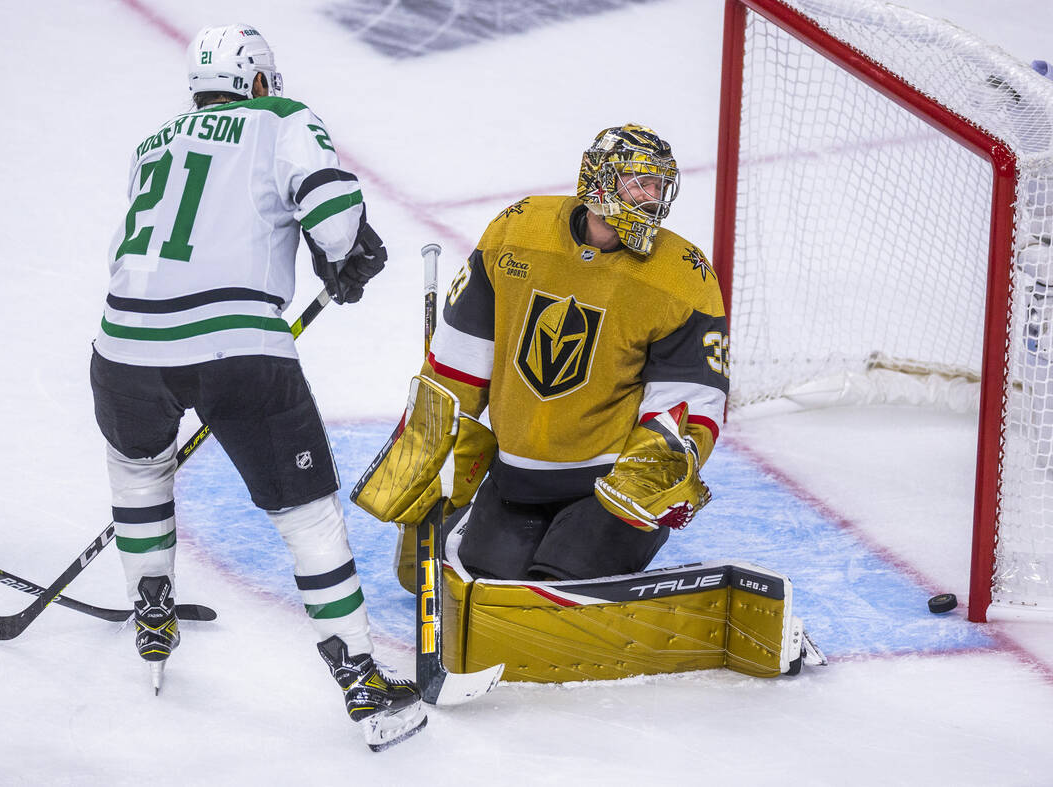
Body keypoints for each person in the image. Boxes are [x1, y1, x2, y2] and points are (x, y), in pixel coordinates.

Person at [90, 24, 424, 750]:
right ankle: (362, 681)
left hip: (122, 348)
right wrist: (346, 255)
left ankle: (152, 608)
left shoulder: (152, 144)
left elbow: (141, 247)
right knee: (307, 517)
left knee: (140, 468)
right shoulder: (283, 118)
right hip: (237, 350)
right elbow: (337, 223)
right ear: (260, 81)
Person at [411, 124, 729, 581]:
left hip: (608, 489)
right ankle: (465, 525)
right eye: (640, 182)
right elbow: (461, 357)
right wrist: (428, 442)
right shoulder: (517, 231)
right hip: (515, 476)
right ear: (598, 179)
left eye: (660, 185)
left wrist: (659, 468)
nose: (652, 198)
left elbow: (692, 396)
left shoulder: (681, 276)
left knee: (554, 597)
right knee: (484, 586)